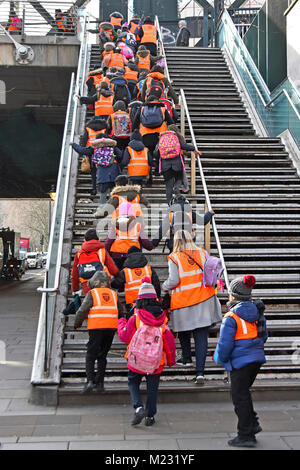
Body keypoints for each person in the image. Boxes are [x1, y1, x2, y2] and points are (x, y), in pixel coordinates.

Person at [213, 275, 268, 448]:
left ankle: (245, 435)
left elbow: (225, 343)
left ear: (233, 296)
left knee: (239, 397)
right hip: (256, 360)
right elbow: (264, 335)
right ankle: (252, 424)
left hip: (240, 362)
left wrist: (219, 359)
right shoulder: (258, 312)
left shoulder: (231, 317)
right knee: (243, 393)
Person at [161, 230, 222, 384]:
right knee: (201, 336)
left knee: (182, 330)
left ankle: (187, 357)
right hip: (204, 299)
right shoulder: (202, 252)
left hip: (184, 300)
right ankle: (200, 373)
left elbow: (174, 281)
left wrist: (164, 286)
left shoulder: (174, 257)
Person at [117, 276, 176, 426]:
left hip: (136, 359)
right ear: (155, 299)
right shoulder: (163, 319)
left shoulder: (136, 318)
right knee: (152, 389)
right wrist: (171, 360)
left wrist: (121, 321)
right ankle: (150, 416)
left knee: (133, 382)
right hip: (156, 362)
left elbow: (124, 337)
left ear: (139, 300)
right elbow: (169, 342)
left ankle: (138, 407)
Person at [74, 271, 123, 394]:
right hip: (110, 328)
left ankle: (90, 381)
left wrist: (77, 324)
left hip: (96, 328)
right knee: (103, 355)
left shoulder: (92, 293)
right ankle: (100, 383)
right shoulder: (113, 294)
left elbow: (82, 310)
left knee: (91, 355)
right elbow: (121, 312)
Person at [153, 126, 201, 204]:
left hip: (165, 167)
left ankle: (170, 204)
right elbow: (184, 146)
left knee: (168, 186)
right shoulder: (175, 138)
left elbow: (155, 153)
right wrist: (194, 149)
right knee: (179, 178)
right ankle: (176, 186)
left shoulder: (161, 139)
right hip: (177, 164)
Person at [71, 132, 122, 203]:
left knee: (103, 193)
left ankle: (103, 209)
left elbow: (82, 150)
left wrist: (73, 145)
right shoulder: (113, 147)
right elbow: (120, 155)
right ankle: (113, 208)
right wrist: (114, 158)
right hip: (113, 173)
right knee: (114, 192)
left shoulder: (94, 148)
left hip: (102, 175)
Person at [112, 246, 161, 315]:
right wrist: (157, 298)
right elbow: (157, 285)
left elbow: (115, 284)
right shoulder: (149, 269)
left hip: (133, 305)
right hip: (150, 303)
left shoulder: (125, 272)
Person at [105, 202, 154, 270]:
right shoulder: (137, 225)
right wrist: (151, 246)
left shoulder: (115, 225)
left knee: (119, 276)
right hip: (133, 254)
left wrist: (105, 253)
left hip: (117, 254)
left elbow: (109, 241)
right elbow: (144, 241)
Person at [71, 228, 119, 296]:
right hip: (103, 282)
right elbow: (112, 269)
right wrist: (118, 276)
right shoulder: (102, 251)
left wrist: (75, 289)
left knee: (90, 303)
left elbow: (74, 274)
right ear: (98, 239)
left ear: (85, 240)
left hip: (87, 284)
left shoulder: (79, 254)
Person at [132, 95, 174, 170]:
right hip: (160, 135)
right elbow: (171, 122)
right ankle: (158, 169)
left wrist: (134, 132)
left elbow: (135, 122)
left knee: (148, 154)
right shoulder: (162, 108)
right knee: (159, 153)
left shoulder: (142, 109)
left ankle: (149, 172)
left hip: (145, 135)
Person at [73, 117, 107, 195]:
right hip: (103, 151)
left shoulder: (88, 128)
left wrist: (84, 150)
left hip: (91, 151)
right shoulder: (104, 128)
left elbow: (84, 140)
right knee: (103, 169)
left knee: (93, 171)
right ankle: (103, 187)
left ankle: (94, 188)